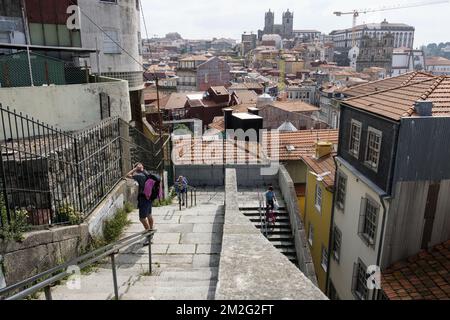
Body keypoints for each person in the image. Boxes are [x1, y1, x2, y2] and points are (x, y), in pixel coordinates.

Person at [126, 163, 156, 245]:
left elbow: (127, 175)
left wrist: (134, 169)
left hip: (143, 199)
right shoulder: (147, 173)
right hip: (149, 197)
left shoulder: (139, 176)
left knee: (142, 218)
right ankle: (151, 229)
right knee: (149, 214)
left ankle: (148, 234)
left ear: (137, 168)